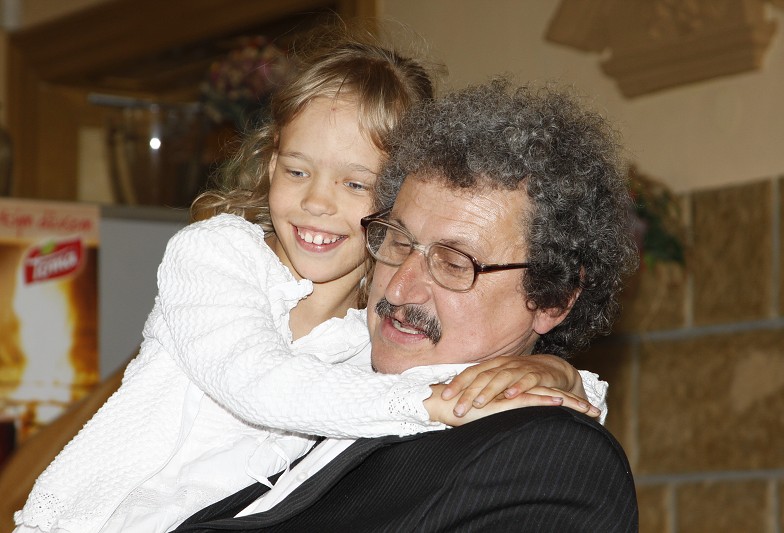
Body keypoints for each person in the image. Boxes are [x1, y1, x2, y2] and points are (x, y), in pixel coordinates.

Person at [14, 31, 605, 533]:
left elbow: (469, 385)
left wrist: (558, 373)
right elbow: (259, 382)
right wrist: (431, 404)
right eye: (298, 171)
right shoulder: (218, 256)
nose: (318, 202)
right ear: (272, 165)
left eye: (354, 184)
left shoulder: (367, 332)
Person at [171, 78, 640, 532]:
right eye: (397, 242)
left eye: (454, 263)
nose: (398, 289)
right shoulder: (335, 385)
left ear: (553, 298)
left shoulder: (547, 456)